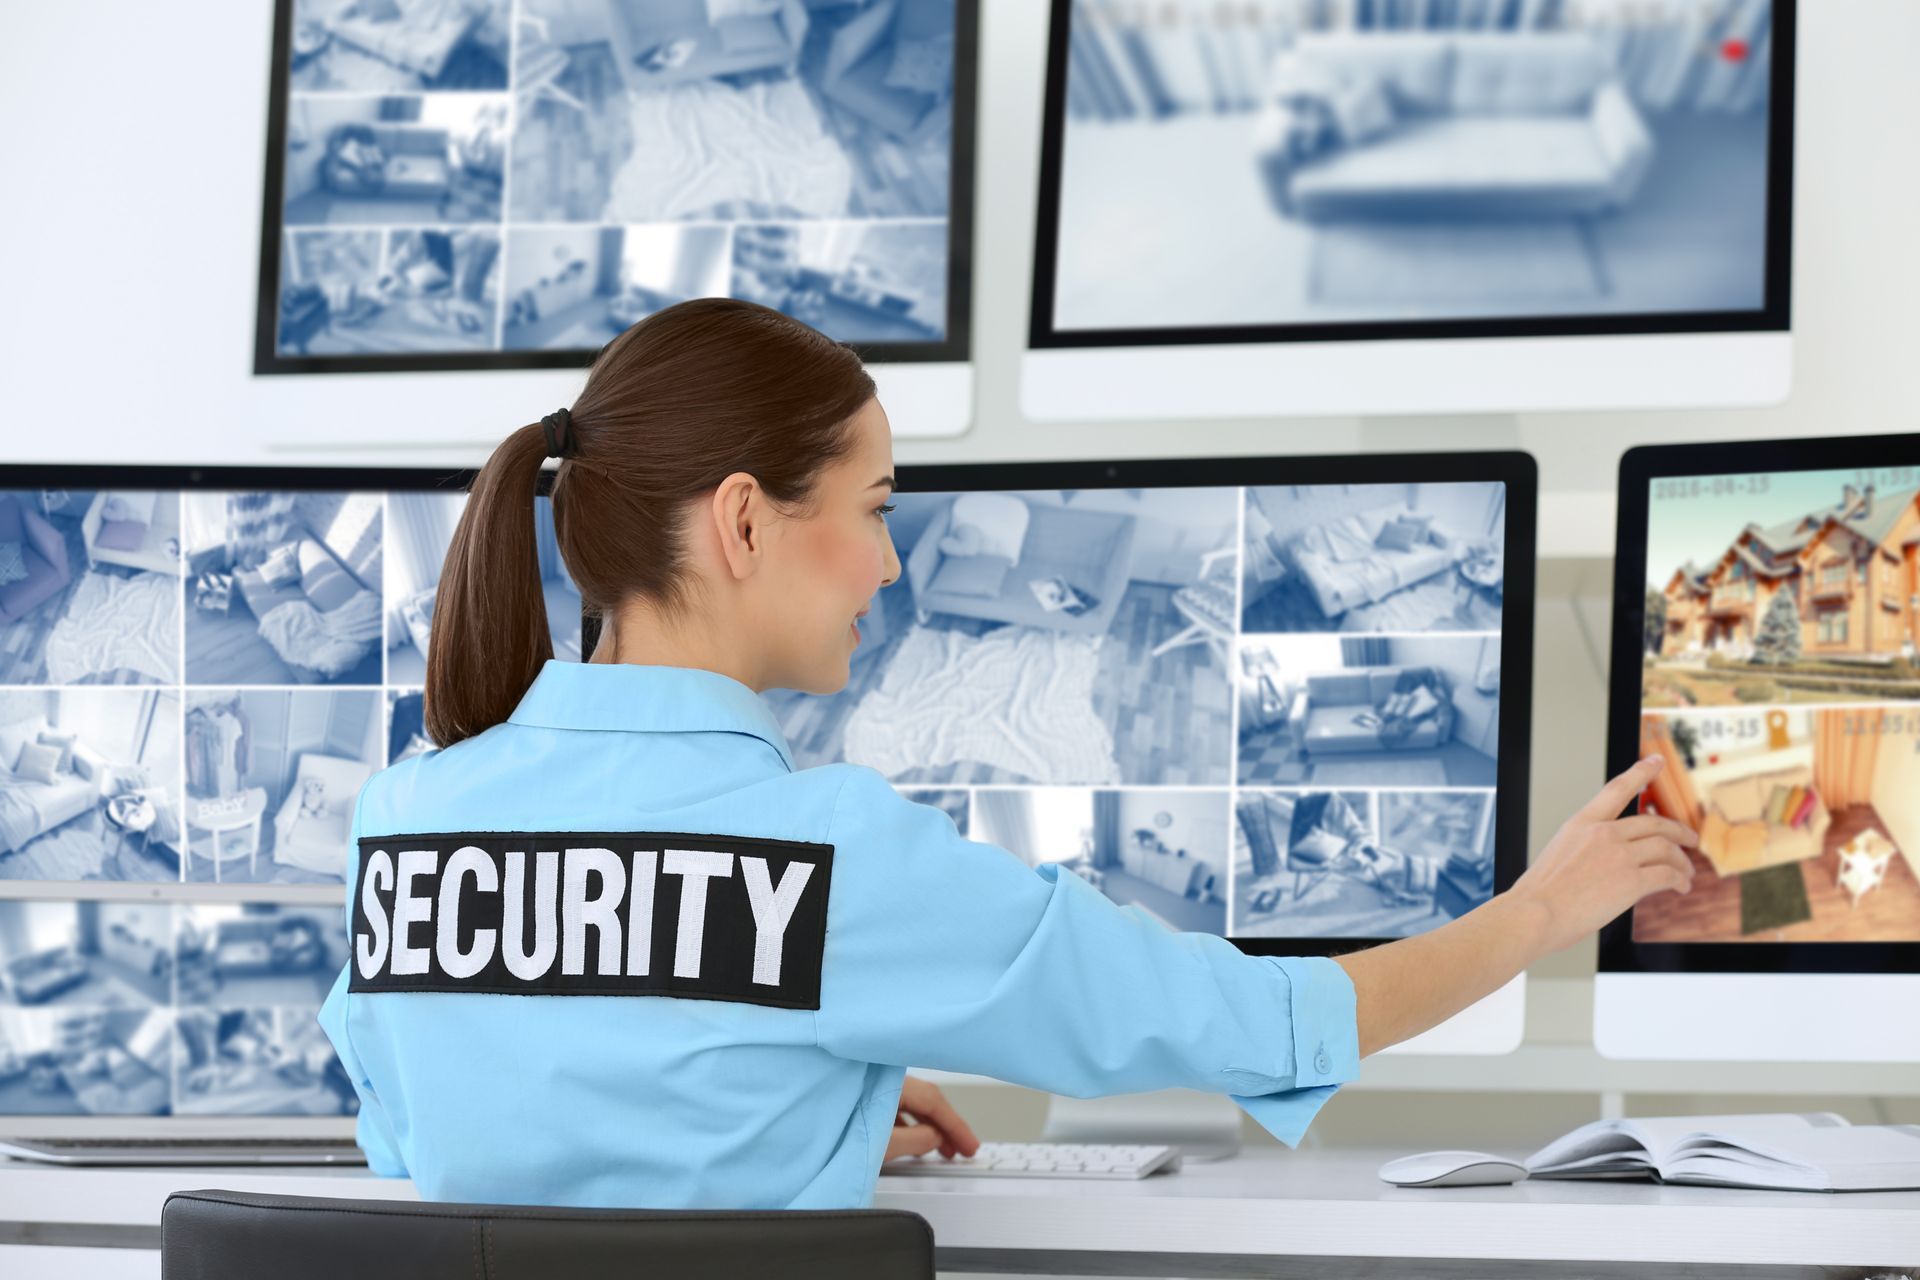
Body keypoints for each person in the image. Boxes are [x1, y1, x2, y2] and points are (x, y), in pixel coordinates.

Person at [317, 297, 1699, 1210]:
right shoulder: (831, 856)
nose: (890, 558)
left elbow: (431, 1145)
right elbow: (1268, 1023)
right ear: (745, 525)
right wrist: (1539, 911)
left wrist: (799, 1102)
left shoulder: (403, 821)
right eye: (872, 506)